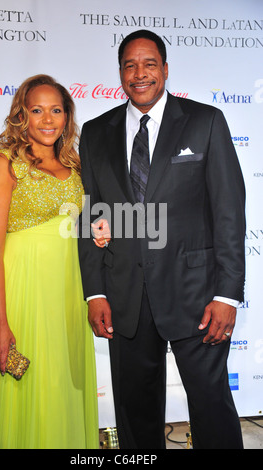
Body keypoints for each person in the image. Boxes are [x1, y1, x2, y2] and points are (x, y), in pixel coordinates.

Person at [78, 30, 246, 449]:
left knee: (211, 406)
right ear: (120, 73)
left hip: (198, 296)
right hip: (125, 297)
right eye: (130, 65)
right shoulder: (96, 132)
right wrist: (94, 293)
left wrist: (227, 296)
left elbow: (229, 212)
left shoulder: (205, 121)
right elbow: (90, 215)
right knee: (134, 414)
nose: (140, 74)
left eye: (149, 64)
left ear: (165, 69)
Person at [0, 74, 101, 449]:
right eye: (37, 110)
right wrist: (0, 323)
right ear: (23, 116)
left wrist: (100, 230)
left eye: (56, 110)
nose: (48, 120)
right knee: (32, 387)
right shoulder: (5, 164)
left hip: (68, 288)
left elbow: (84, 222)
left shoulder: (76, 163)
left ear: (67, 116)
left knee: (63, 381)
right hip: (24, 288)